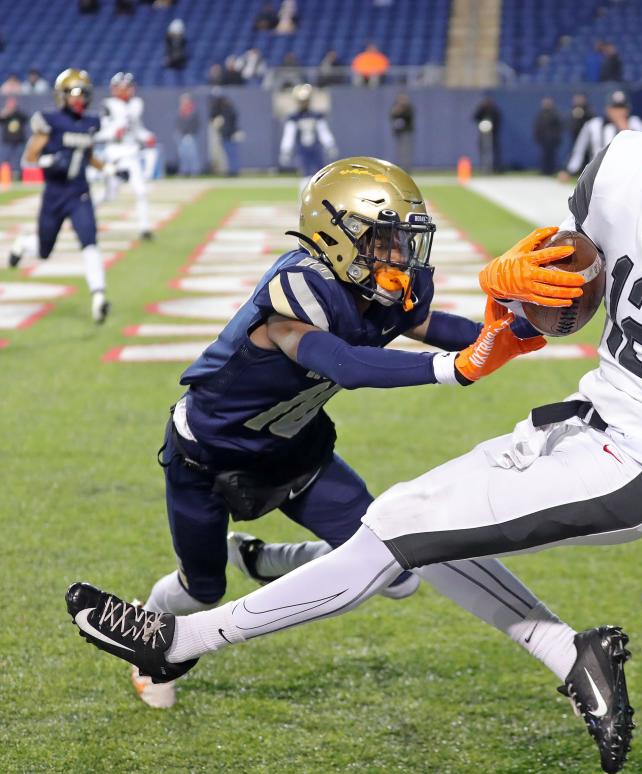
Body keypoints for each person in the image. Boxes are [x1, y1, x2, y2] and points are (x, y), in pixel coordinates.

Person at [68, 45, 642, 773]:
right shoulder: (624, 163)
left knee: (396, 527)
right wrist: (512, 292)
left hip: (639, 466)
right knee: (422, 534)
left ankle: (179, 639)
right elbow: (567, 296)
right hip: (578, 419)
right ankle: (574, 656)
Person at [64, 156, 560, 711]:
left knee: (394, 573)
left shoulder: (384, 289)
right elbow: (345, 363)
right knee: (202, 590)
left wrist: (506, 333)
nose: (400, 253)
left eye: (403, 239)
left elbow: (425, 325)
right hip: (207, 461)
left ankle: (262, 560)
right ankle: (151, 642)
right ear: (338, 235)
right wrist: (454, 368)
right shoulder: (297, 290)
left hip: (299, 454)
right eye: (386, 238)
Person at [8, 69, 114, 323]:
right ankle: (23, 245)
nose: (79, 99)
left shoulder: (89, 123)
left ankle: (98, 297)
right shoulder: (49, 121)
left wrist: (106, 168)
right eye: (74, 93)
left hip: (79, 192)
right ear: (62, 95)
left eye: (83, 94)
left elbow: (86, 154)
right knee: (44, 251)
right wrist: (49, 161)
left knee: (89, 240)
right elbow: (28, 159)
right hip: (54, 194)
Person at [97, 72, 156, 240]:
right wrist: (114, 132)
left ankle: (145, 228)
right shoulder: (109, 105)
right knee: (109, 195)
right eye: (123, 87)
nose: (127, 90)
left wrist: (147, 136)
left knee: (141, 191)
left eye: (129, 87)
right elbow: (101, 133)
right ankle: (87, 210)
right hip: (115, 155)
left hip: (131, 154)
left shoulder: (136, 104)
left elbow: (136, 129)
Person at [561, 90, 642, 180]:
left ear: (628, 110)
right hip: (598, 177)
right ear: (607, 109)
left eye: (621, 108)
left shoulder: (636, 124)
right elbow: (579, 150)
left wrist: (626, 130)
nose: (618, 112)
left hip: (627, 177)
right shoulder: (593, 125)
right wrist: (570, 171)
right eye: (615, 108)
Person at [279, 84, 337, 189]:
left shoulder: (316, 116)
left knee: (321, 175)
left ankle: (321, 200)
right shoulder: (294, 117)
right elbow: (289, 136)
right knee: (305, 176)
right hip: (302, 150)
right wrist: (286, 150)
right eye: (302, 101)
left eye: (305, 100)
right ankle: (304, 200)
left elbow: (324, 132)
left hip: (316, 148)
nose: (304, 103)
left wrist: (330, 144)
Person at [210, 89, 241, 176]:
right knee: (228, 154)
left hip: (229, 135)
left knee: (232, 153)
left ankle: (233, 171)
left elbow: (232, 122)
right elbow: (212, 117)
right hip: (224, 135)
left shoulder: (229, 110)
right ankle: (232, 170)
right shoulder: (220, 109)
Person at [533, 96, 563, 176]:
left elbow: (559, 127)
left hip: (552, 139)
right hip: (543, 139)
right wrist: (537, 136)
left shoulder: (555, 114)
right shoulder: (541, 114)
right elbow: (537, 126)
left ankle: (552, 170)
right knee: (544, 155)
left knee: (552, 155)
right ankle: (544, 170)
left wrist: (556, 137)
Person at [473, 94, 501, 174]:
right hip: (483, 135)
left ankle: (494, 168)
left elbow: (498, 120)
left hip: (493, 135)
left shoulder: (494, 111)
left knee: (493, 151)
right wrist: (481, 108)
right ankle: (484, 167)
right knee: (483, 151)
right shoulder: (482, 110)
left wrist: (492, 126)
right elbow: (474, 117)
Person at [0, 96, 27, 179]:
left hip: (19, 141)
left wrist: (14, 111)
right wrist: (5, 113)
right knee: (5, 159)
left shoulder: (18, 114)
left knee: (19, 160)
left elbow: (25, 118)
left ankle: (18, 176)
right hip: (8, 142)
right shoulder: (6, 115)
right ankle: (5, 176)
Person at [175, 93, 200, 177]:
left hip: (190, 135)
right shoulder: (180, 111)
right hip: (180, 136)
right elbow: (178, 123)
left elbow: (196, 124)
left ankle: (194, 171)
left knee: (192, 155)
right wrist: (179, 132)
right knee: (182, 155)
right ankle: (183, 171)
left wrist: (190, 133)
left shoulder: (193, 111)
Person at [389, 92, 414, 172]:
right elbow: (391, 116)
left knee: (406, 152)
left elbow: (408, 117)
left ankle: (406, 168)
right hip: (398, 133)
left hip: (406, 133)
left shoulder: (408, 108)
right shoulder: (395, 107)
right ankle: (399, 167)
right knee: (399, 152)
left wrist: (401, 110)